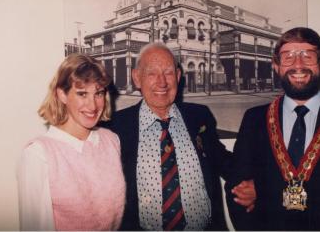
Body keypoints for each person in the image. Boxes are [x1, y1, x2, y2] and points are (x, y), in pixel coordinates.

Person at [226, 27, 320, 230]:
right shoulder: (255, 119)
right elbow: (237, 190)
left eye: (308, 56)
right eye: (288, 57)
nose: (298, 65)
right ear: (276, 65)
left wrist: (264, 191)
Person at [102, 42, 253, 230]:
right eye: (152, 73)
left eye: (168, 73)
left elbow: (223, 161)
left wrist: (252, 183)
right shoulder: (116, 128)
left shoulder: (199, 116)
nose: (162, 82)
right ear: (137, 78)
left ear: (178, 76)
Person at [17, 53, 126, 231]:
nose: (92, 105)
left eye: (98, 93)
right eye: (82, 94)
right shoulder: (38, 154)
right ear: (62, 95)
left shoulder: (111, 140)